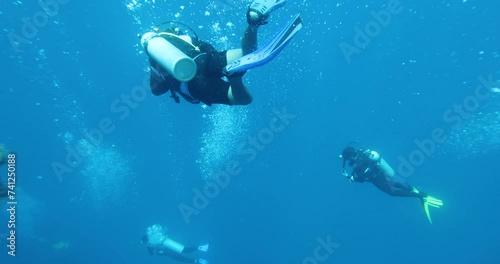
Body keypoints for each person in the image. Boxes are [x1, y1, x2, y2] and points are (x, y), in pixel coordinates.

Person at [140, 0, 302, 106]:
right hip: (203, 60)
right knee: (249, 52)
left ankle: (235, 79)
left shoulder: (157, 59)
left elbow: (157, 91)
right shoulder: (175, 41)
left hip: (194, 86)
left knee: (243, 99)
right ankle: (253, 22)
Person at [340, 146, 444, 223]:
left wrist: (350, 177)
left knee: (392, 192)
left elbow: (361, 178)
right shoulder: (362, 154)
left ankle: (421, 196)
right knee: (394, 183)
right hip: (382, 174)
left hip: (376, 180)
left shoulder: (357, 165)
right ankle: (412, 188)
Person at [142, 224, 209, 264]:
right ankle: (200, 248)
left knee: (182, 258)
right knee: (185, 251)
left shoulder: (150, 246)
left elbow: (153, 253)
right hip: (169, 247)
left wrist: (159, 252)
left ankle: (198, 261)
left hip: (168, 252)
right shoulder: (156, 240)